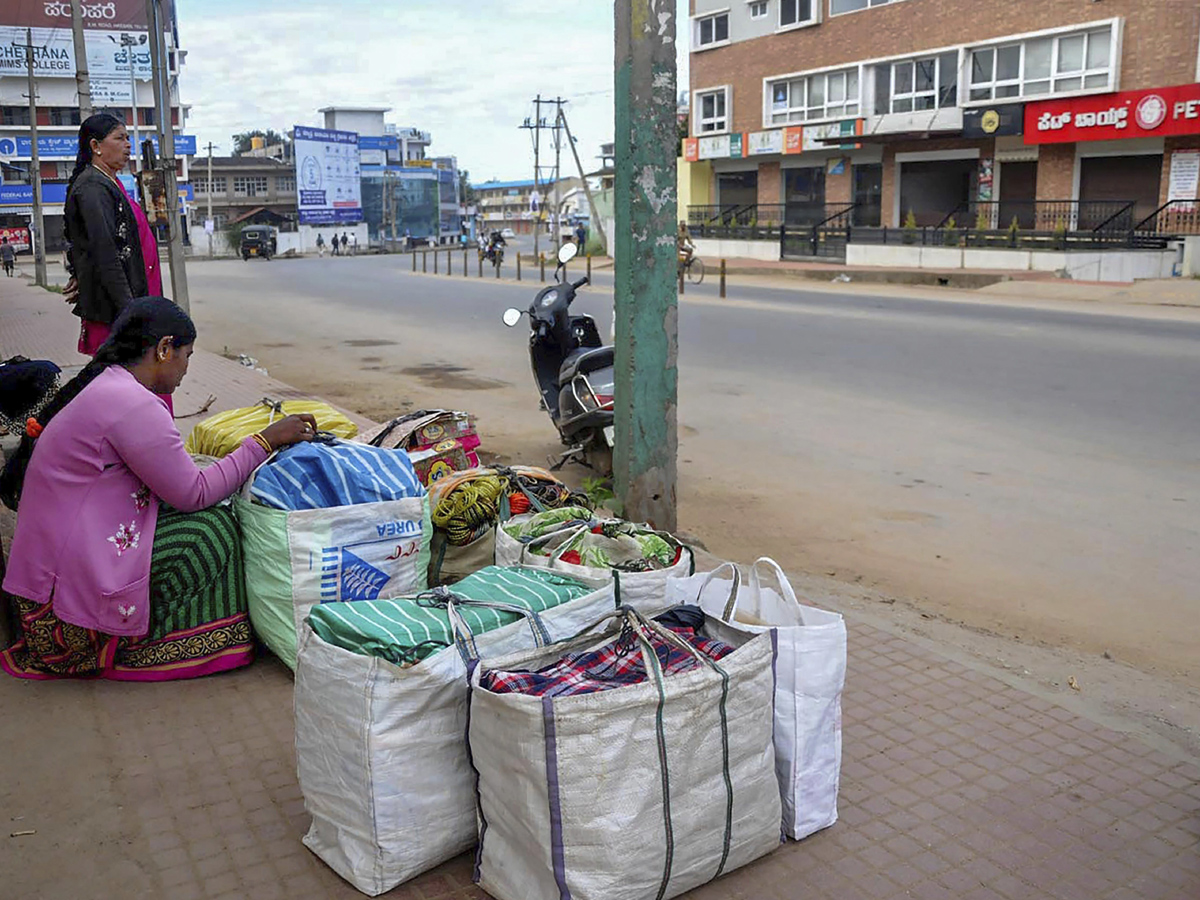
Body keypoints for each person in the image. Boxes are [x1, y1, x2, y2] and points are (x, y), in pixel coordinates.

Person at [0, 297, 318, 680]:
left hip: (44, 598)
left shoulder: (108, 385)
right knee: (212, 531)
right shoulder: (131, 403)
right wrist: (263, 442)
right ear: (164, 349)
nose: (186, 368)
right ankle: (148, 642)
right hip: (62, 625)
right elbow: (194, 493)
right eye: (187, 354)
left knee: (204, 513)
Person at [61, 114, 170, 411]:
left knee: (145, 386)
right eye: (119, 138)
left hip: (135, 302)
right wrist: (131, 314)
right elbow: (104, 251)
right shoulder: (93, 187)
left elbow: (82, 241)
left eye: (128, 138)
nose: (127, 145)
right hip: (120, 312)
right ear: (96, 145)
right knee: (133, 393)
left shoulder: (109, 182)